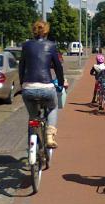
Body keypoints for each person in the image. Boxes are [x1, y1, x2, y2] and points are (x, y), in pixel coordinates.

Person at [19, 20, 64, 149]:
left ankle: (30, 146)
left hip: (28, 88)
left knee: (32, 117)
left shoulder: (26, 45)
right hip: (46, 88)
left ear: (33, 31)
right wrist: (60, 83)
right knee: (53, 107)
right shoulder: (51, 45)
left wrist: (22, 83)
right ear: (46, 31)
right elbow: (58, 67)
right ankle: (50, 136)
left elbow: (21, 66)